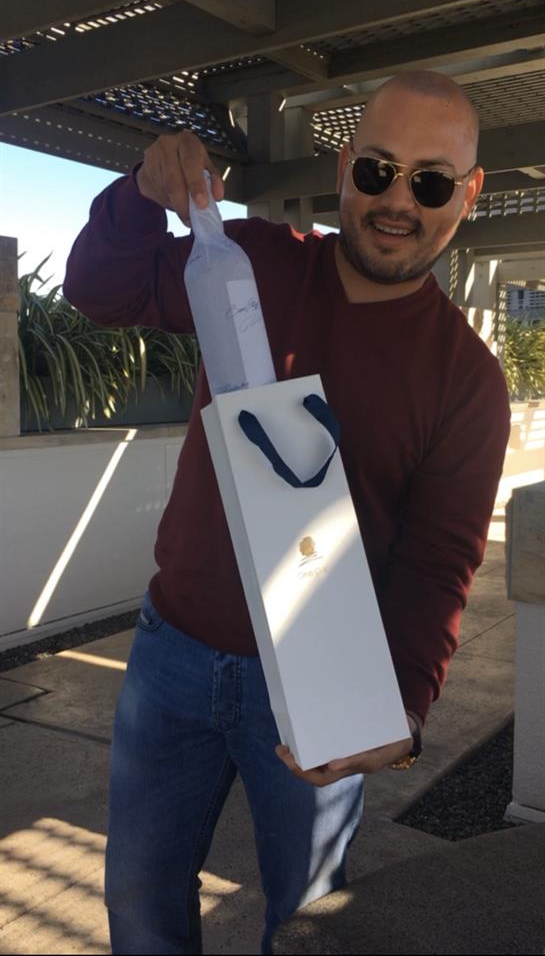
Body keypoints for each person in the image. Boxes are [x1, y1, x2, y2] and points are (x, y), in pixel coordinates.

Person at [63, 70, 511, 955]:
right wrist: (138, 193)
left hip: (316, 686)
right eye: (378, 169)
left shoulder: (466, 381)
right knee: (139, 896)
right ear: (344, 166)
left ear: (467, 193)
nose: (396, 201)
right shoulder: (254, 262)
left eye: (428, 181)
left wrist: (404, 713)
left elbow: (436, 563)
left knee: (307, 924)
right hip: (172, 654)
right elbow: (100, 291)